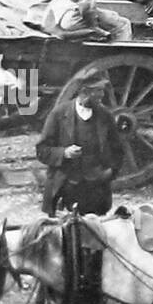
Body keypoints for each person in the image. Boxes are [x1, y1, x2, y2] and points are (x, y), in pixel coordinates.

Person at [36, 66, 124, 215]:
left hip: (96, 191)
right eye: (98, 90)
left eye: (102, 90)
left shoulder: (105, 116)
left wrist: (110, 172)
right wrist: (64, 153)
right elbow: (42, 150)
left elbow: (118, 150)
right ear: (84, 92)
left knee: (94, 232)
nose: (102, 95)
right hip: (65, 189)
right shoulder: (59, 114)